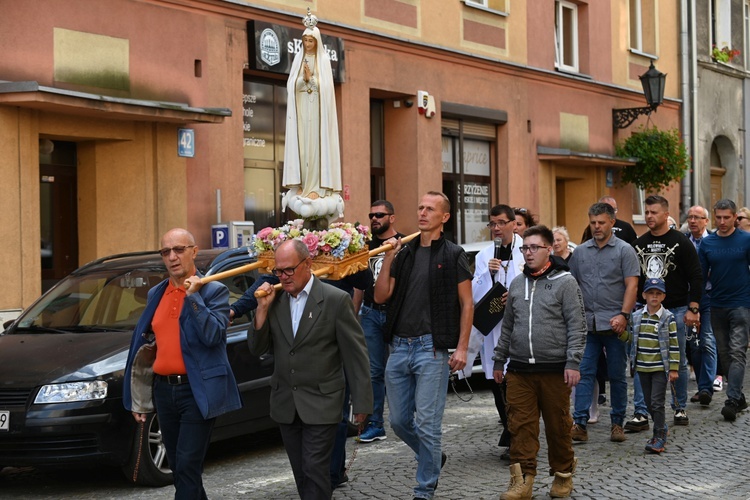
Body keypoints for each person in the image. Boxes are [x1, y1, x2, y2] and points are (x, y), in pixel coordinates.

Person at [123, 228, 242, 499]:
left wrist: (194, 296)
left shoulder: (215, 290)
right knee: (179, 467)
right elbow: (142, 345)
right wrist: (137, 398)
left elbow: (213, 336)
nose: (172, 257)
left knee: (188, 464)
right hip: (164, 391)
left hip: (196, 390)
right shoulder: (156, 293)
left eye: (179, 250)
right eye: (166, 252)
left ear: (194, 252)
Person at [249, 239, 372, 500]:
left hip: (322, 401)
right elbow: (258, 348)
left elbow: (355, 355)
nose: (283, 276)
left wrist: (362, 403)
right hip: (286, 402)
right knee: (302, 473)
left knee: (315, 469)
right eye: (278, 271)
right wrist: (261, 310)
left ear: (308, 264)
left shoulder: (335, 300)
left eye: (288, 270)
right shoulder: (276, 300)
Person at [374, 191, 473, 500]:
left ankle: (424, 490)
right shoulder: (405, 253)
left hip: (432, 349)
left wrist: (461, 348)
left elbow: (467, 304)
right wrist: (389, 255)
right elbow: (380, 297)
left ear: (444, 217)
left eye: (430, 209)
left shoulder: (454, 253)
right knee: (399, 421)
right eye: (420, 207)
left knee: (428, 424)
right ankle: (432, 457)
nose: (422, 213)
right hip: (400, 347)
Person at [493, 225, 586, 500]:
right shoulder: (517, 283)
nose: (529, 253)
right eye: (525, 248)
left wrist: (573, 362)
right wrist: (499, 360)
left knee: (558, 426)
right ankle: (522, 481)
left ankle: (563, 473)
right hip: (519, 370)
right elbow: (508, 326)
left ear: (549, 249)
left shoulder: (566, 282)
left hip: (555, 370)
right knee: (520, 427)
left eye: (534, 248)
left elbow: (577, 326)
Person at [628, 195, 702, 430]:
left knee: (677, 360)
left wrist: (693, 308)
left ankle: (679, 407)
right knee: (642, 361)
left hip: (676, 309)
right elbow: (632, 279)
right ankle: (641, 412)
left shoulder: (681, 242)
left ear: (665, 214)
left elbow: (696, 276)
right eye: (646, 212)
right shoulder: (639, 244)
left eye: (654, 212)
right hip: (645, 310)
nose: (649, 216)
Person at [569, 203, 639, 444]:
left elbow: (632, 285)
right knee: (584, 373)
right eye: (593, 222)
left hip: (616, 324)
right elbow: (572, 286)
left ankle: (617, 423)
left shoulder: (625, 250)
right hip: (587, 325)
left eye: (601, 222)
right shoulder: (580, 252)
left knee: (617, 375)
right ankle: (579, 423)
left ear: (611, 222)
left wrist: (624, 315)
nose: (596, 227)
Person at [468, 204, 524, 460]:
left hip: (521, 327)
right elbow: (474, 293)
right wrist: (488, 276)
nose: (497, 228)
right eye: (492, 223)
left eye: (502, 222)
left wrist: (512, 296)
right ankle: (510, 429)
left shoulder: (527, 250)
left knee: (518, 383)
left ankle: (518, 435)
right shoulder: (484, 255)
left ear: (514, 223)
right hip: (494, 329)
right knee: (496, 381)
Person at [281, 10, 343, 219]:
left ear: (316, 42)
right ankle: (304, 185)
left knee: (316, 150)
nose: (308, 44)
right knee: (303, 150)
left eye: (311, 40)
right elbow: (292, 86)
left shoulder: (323, 62)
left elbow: (326, 89)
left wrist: (313, 81)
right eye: (305, 40)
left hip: (317, 116)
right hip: (302, 115)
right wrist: (303, 80)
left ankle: (318, 186)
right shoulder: (298, 61)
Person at [354, 200, 403, 443]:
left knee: (403, 368)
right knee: (373, 370)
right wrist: (354, 315)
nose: (374, 219)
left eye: (380, 215)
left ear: (392, 218)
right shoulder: (365, 247)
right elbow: (360, 286)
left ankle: (406, 418)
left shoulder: (405, 244)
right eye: (371, 215)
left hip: (398, 313)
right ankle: (375, 423)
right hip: (371, 313)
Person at [698, 199, 750, 421]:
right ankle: (739, 397)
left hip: (741, 303)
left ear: (735, 217)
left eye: (726, 217)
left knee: (738, 352)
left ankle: (731, 401)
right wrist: (698, 304)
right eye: (718, 217)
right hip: (716, 304)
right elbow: (700, 277)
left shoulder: (746, 240)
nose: (721, 221)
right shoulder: (708, 243)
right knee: (724, 354)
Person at [630, 278, 679, 454]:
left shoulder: (668, 317)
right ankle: (661, 426)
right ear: (644, 295)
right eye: (651, 293)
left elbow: (673, 343)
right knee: (650, 403)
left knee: (657, 402)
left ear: (663, 296)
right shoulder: (636, 317)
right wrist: (619, 334)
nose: (654, 297)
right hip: (642, 367)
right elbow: (631, 339)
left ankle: (658, 435)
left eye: (658, 294)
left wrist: (673, 367)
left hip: (659, 367)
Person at [684, 205, 717, 407]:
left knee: (707, 340)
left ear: (706, 221)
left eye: (697, 217)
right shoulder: (682, 242)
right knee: (693, 344)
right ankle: (701, 386)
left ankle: (706, 388)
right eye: (690, 217)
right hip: (688, 297)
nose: (693, 221)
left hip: (710, 296)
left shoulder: (713, 241)